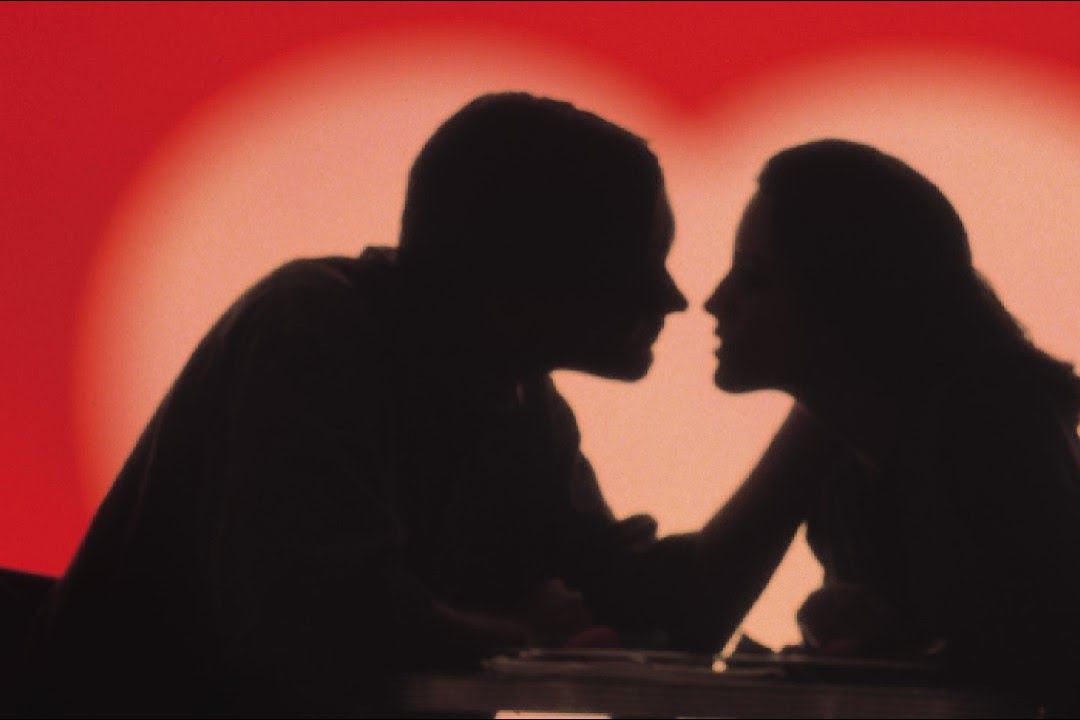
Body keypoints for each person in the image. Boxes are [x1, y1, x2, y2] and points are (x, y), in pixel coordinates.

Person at [29, 93, 832, 715]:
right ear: (528, 266)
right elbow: (319, 619)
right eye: (639, 259)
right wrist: (522, 634)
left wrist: (823, 408)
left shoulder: (520, 404)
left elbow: (653, 616)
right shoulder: (310, 330)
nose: (673, 296)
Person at [705, 140, 1080, 707]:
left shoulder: (986, 426)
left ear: (846, 292)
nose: (715, 301)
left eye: (754, 277)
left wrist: (897, 641)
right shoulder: (852, 450)